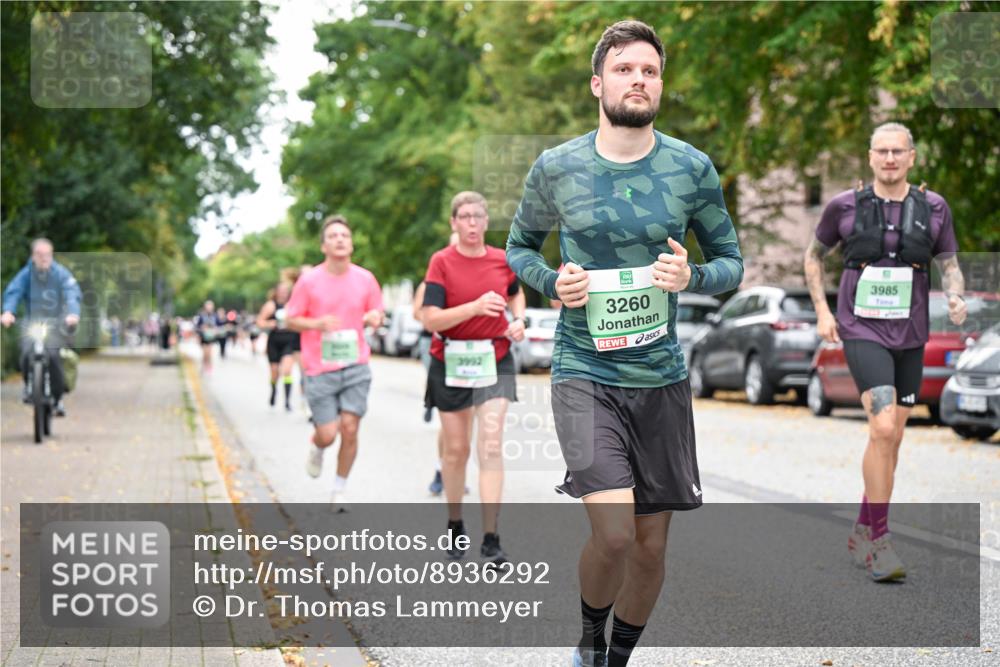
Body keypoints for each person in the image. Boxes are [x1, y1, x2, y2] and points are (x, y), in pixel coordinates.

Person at [506, 21, 743, 667]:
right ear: (597, 83)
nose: (638, 79)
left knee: (649, 547)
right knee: (612, 535)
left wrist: (691, 275)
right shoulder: (558, 167)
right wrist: (555, 281)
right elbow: (519, 247)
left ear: (660, 84)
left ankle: (618, 656)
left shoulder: (691, 169)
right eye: (624, 69)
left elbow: (731, 263)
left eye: (649, 70)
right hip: (585, 369)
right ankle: (588, 637)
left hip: (660, 377)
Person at [803, 121, 966, 583]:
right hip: (861, 329)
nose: (890, 159)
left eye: (898, 151)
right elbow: (813, 256)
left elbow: (950, 266)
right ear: (870, 157)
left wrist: (955, 295)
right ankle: (879, 542)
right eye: (882, 151)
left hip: (911, 335)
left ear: (912, 157)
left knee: (892, 438)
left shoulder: (934, 208)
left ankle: (861, 528)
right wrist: (821, 309)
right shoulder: (844, 206)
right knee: (881, 423)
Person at [421, 191, 526, 565]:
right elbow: (430, 318)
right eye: (464, 216)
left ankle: (491, 538)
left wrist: (519, 321)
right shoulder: (441, 262)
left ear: (486, 221)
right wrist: (474, 307)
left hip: (495, 358)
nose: (471, 223)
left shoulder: (502, 260)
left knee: (492, 444)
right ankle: (454, 523)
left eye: (478, 216)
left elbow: (516, 296)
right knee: (455, 450)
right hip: (450, 361)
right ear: (453, 223)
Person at [286, 215, 384, 511]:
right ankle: (317, 446)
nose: (340, 239)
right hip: (319, 368)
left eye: (345, 235)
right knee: (329, 434)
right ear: (323, 245)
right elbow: (290, 319)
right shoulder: (309, 280)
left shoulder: (365, 279)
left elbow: (377, 312)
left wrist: (374, 319)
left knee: (351, 428)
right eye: (333, 236)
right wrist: (316, 323)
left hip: (356, 365)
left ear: (351, 244)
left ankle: (339, 489)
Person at [1, 238, 82, 416]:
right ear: (33, 256)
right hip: (32, 323)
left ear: (51, 255)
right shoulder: (26, 274)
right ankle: (29, 386)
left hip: (56, 323)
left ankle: (58, 398)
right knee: (25, 353)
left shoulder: (61, 274)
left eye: (47, 254)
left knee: (54, 357)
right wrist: (8, 311)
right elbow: (14, 292)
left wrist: (72, 313)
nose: (44, 258)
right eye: (39, 254)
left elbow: (72, 292)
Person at [413, 231, 459, 495]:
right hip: (438, 345)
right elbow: (419, 312)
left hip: (478, 355)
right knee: (451, 419)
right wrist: (438, 317)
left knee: (471, 423)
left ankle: (454, 468)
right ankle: (443, 470)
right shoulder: (435, 276)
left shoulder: (485, 269)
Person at [257, 281, 298, 410]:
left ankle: (287, 401)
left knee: (287, 370)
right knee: (275, 373)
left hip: (289, 340)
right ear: (276, 291)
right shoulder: (271, 305)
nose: (284, 293)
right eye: (281, 290)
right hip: (275, 341)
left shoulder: (293, 305)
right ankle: (274, 389)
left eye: (286, 290)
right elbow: (260, 321)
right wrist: (271, 324)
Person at [194, 300, 223, 374]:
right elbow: (197, 327)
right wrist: (201, 329)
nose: (209, 308)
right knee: (205, 353)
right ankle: (203, 365)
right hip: (203, 336)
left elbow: (220, 325)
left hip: (211, 337)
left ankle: (209, 366)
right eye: (208, 306)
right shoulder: (201, 316)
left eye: (210, 306)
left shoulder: (215, 316)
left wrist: (216, 330)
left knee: (209, 352)